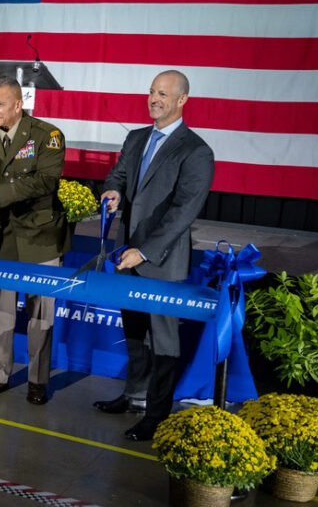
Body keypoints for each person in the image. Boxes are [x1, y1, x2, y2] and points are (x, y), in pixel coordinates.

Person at [93, 69, 214, 441]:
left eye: (163, 93)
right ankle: (134, 396)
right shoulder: (136, 137)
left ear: (182, 101)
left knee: (163, 341)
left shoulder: (196, 150)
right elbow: (119, 175)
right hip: (125, 252)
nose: (154, 98)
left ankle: (157, 416)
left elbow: (183, 212)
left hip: (159, 261)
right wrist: (112, 192)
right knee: (133, 332)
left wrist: (143, 252)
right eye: (151, 91)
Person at [0, 76, 69, 405]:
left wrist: (0, 190)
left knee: (42, 314)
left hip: (40, 237)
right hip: (1, 238)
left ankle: (37, 380)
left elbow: (45, 182)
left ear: (17, 105)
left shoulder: (47, 136)